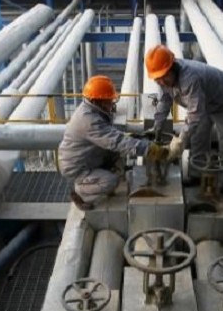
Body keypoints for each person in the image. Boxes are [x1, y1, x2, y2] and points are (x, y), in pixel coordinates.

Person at [59, 75, 168, 210]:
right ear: (97, 101)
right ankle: (81, 192)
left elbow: (114, 137)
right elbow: (116, 141)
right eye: (108, 100)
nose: (112, 103)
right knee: (111, 181)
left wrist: (137, 138)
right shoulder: (88, 120)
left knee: (120, 156)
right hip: (77, 167)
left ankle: (96, 177)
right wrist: (149, 149)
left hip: (90, 157)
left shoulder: (93, 110)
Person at [146, 44, 223, 192]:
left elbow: (195, 114)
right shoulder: (164, 78)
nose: (162, 82)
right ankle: (196, 175)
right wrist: (157, 125)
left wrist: (180, 141)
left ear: (172, 68)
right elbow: (165, 100)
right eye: (158, 80)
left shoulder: (190, 78)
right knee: (197, 137)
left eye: (164, 77)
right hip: (204, 102)